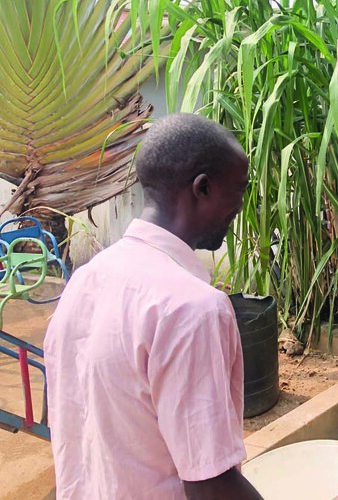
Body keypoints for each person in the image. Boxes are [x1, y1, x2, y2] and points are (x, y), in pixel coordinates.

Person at [45, 113, 263, 500]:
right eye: (239, 190)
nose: (240, 205)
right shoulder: (193, 308)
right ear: (203, 188)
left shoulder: (84, 282)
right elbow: (210, 484)